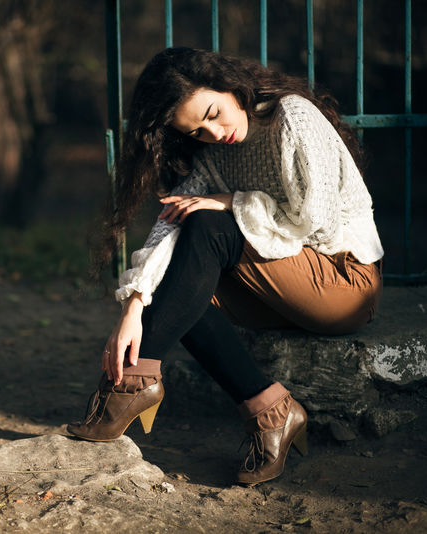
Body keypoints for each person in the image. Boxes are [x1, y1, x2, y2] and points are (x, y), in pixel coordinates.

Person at [67, 47, 384, 486]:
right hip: (280, 285)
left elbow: (319, 220)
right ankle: (271, 411)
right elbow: (171, 225)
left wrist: (233, 201)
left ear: (229, 85)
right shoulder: (212, 153)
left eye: (214, 113)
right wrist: (135, 305)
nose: (215, 133)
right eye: (198, 130)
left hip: (342, 281)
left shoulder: (292, 117)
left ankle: (129, 385)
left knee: (209, 223)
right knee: (181, 279)